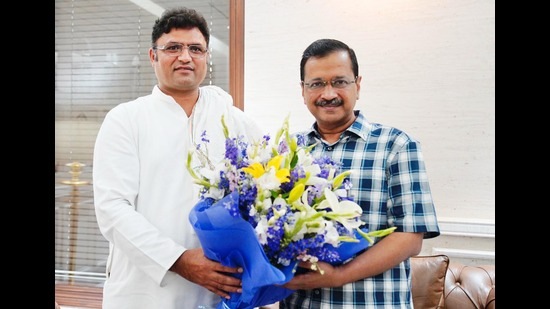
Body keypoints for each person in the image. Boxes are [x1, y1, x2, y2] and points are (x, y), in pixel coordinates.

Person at [92, 7, 262, 309]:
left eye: (196, 49)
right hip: (144, 293)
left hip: (218, 290)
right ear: (153, 56)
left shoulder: (234, 121)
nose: (185, 57)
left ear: (206, 58)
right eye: (173, 48)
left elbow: (268, 188)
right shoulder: (126, 119)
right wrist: (178, 260)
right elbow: (112, 209)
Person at [279, 39, 441, 308]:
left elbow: (410, 238)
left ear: (358, 85)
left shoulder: (396, 146)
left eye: (339, 82)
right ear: (303, 90)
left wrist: (338, 276)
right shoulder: (288, 150)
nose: (328, 93)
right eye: (316, 83)